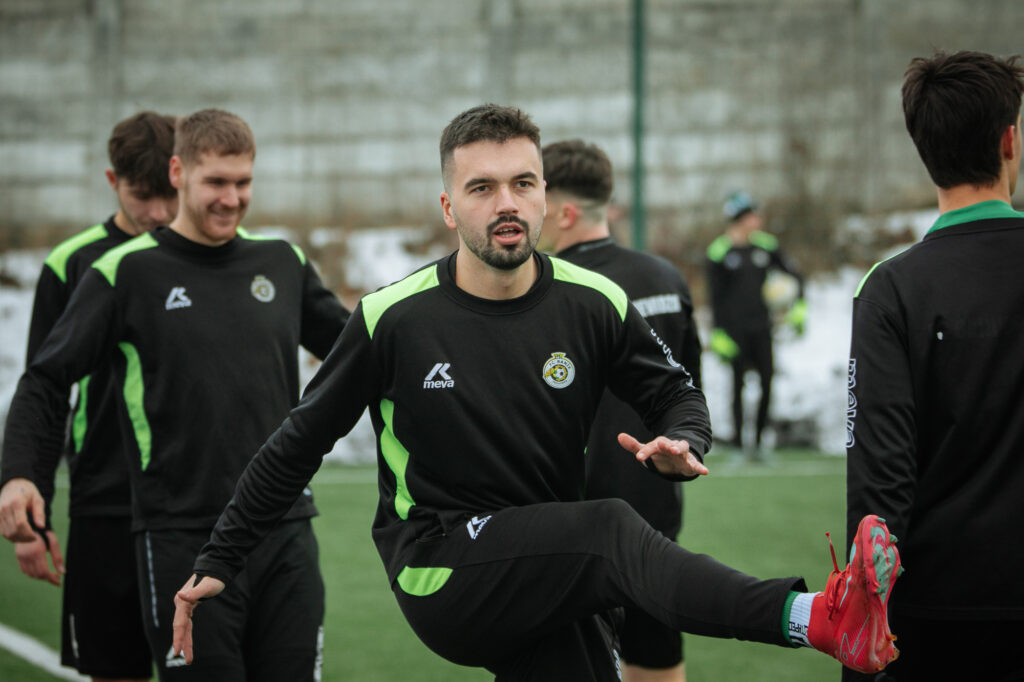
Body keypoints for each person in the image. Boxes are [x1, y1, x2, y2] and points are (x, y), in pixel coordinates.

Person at [172, 104, 900, 681]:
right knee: (609, 528)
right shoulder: (392, 318)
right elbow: (296, 444)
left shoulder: (593, 301)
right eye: (482, 188)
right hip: (439, 565)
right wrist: (218, 559)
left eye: (523, 183)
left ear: (547, 196)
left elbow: (677, 392)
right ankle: (817, 617)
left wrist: (686, 439)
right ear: (449, 207)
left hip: (547, 565)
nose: (507, 203)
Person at [0, 108, 349, 681]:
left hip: (284, 528)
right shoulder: (123, 272)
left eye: (243, 182)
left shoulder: (282, 262)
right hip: (179, 534)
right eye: (217, 182)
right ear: (179, 172)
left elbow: (360, 353)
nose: (232, 199)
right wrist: (20, 475)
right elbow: (45, 379)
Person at [845, 50, 1024, 682]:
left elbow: (880, 484)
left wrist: (862, 636)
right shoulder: (890, 291)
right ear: (1009, 141)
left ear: (923, 150)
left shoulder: (892, 289)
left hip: (935, 617)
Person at [0, 110, 177, 682]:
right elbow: (44, 390)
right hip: (105, 500)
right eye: (142, 196)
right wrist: (34, 509)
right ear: (111, 181)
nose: (158, 213)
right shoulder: (72, 262)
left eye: (170, 195)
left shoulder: (207, 255)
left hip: (194, 506)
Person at [540, 138, 701, 682]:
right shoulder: (666, 279)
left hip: (567, 529)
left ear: (564, 212)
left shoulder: (544, 289)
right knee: (657, 663)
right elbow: (687, 393)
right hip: (653, 521)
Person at [705, 192, 805, 459]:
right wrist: (718, 333)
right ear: (740, 219)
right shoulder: (719, 252)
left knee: (767, 382)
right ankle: (739, 445)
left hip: (762, 328)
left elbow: (795, 276)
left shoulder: (767, 246)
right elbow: (715, 298)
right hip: (734, 333)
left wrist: (798, 308)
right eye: (753, 215)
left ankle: (759, 444)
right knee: (737, 387)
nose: (759, 219)